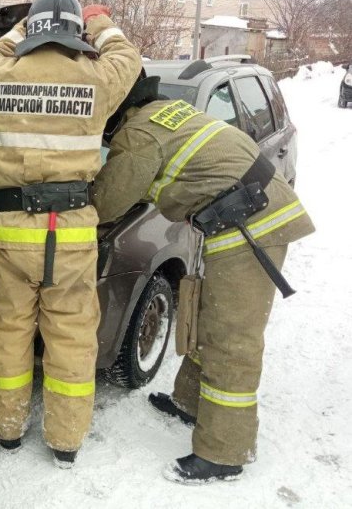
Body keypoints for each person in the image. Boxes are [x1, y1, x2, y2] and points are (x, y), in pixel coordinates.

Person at [91, 75, 315, 483]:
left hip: (251, 227)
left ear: (115, 114)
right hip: (238, 216)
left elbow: (106, 203)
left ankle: (224, 454)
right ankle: (189, 402)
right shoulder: (164, 115)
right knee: (209, 316)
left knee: (232, 338)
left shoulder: (139, 135)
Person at [0, 0, 141, 468]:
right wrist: (100, 22)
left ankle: (6, 430)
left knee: (7, 332)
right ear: (74, 32)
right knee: (71, 336)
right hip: (69, 234)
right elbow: (125, 54)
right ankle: (65, 441)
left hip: (9, 232)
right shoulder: (96, 78)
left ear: (31, 29)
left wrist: (23, 26)